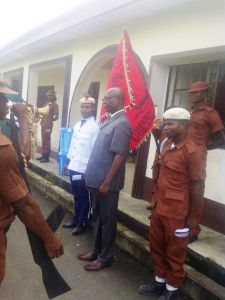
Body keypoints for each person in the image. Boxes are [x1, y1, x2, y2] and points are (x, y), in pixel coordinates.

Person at [138, 107, 205, 300]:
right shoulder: (166, 144)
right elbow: (160, 172)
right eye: (164, 123)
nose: (164, 127)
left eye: (169, 124)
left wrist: (192, 217)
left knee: (175, 252)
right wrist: (154, 199)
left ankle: (172, 289)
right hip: (160, 208)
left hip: (178, 212)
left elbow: (198, 187)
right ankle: (159, 282)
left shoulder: (193, 152)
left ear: (184, 125)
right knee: (156, 246)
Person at [0, 91, 64, 284]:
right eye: (3, 98)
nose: (7, 103)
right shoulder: (3, 146)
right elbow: (26, 154)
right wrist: (49, 238)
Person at [78, 87, 131, 271]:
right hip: (97, 182)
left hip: (107, 185)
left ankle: (105, 257)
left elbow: (119, 156)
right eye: (104, 99)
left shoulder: (122, 123)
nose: (104, 102)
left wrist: (107, 183)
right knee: (98, 218)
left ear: (118, 99)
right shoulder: (109, 120)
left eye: (108, 99)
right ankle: (95, 251)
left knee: (108, 222)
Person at [187, 81, 225, 242]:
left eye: (196, 92)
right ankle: (183, 225)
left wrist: (202, 148)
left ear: (204, 94)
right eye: (191, 92)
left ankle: (193, 230)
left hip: (197, 159)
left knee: (196, 193)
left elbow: (221, 138)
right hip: (183, 156)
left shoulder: (211, 113)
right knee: (184, 191)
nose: (192, 95)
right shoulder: (188, 112)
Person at [63, 96, 99, 235]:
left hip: (84, 169)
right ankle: (75, 219)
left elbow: (94, 152)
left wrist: (89, 171)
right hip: (74, 166)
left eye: (87, 107)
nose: (84, 109)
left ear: (93, 108)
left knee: (85, 198)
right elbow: (73, 145)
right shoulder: (78, 125)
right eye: (82, 107)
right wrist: (67, 162)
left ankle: (82, 223)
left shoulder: (95, 128)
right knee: (76, 195)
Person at [37, 90, 59, 163]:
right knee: (43, 139)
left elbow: (56, 116)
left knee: (47, 139)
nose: (49, 97)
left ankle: (46, 157)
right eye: (48, 95)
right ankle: (43, 155)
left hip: (48, 125)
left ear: (53, 96)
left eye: (51, 95)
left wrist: (50, 120)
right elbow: (42, 111)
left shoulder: (55, 105)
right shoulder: (46, 103)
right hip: (43, 123)